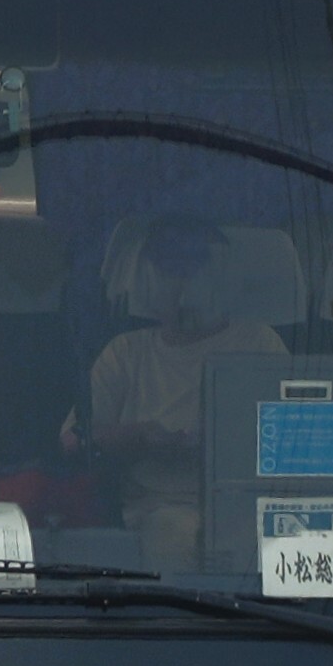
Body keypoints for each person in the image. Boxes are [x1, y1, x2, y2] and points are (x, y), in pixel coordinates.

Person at [70, 218, 282, 571]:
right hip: (163, 508)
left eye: (194, 271)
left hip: (249, 504)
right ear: (150, 283)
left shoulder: (259, 343)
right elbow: (75, 438)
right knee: (181, 538)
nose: (183, 286)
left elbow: (304, 433)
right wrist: (141, 436)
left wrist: (226, 442)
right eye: (171, 273)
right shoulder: (126, 352)